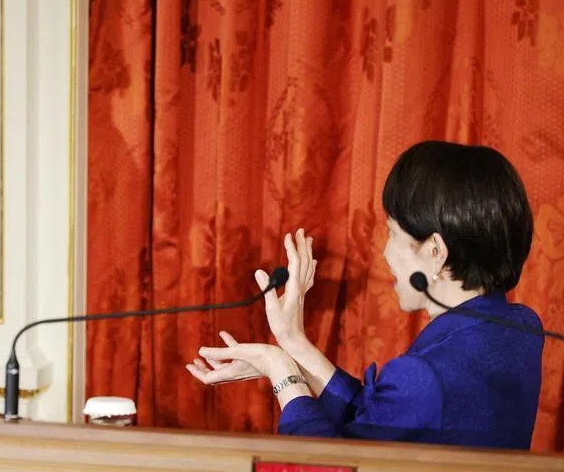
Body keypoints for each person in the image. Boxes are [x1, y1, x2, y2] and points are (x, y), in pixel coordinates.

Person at [187, 140, 543, 449]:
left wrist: (279, 369)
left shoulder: (423, 376)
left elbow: (329, 469)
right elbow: (382, 422)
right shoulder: (520, 328)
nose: (386, 253)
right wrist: (293, 343)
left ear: (436, 252)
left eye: (392, 233)